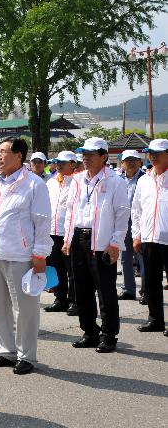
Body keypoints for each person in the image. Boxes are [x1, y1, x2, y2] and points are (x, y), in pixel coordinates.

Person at [0, 137, 52, 375]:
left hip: (21, 255)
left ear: (19, 155)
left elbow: (42, 222)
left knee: (25, 308)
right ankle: (5, 351)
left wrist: (40, 254)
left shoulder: (33, 184)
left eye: (3, 152)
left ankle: (26, 355)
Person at [62, 137, 129, 353]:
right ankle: (89, 331)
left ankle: (109, 335)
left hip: (101, 241)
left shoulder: (114, 180)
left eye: (91, 154)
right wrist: (66, 238)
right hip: (78, 239)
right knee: (81, 289)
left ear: (103, 156)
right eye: (84, 153)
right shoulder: (78, 179)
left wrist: (115, 243)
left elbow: (122, 214)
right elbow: (70, 211)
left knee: (106, 291)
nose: (86, 158)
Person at [131, 139, 168, 335]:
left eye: (157, 152)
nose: (153, 156)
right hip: (149, 239)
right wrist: (136, 235)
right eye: (150, 152)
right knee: (152, 282)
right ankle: (155, 320)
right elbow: (136, 210)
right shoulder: (144, 180)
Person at [44, 151, 78, 314]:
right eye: (57, 162)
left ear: (73, 164)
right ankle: (60, 299)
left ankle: (75, 301)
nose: (59, 164)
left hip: (69, 233)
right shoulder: (51, 182)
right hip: (52, 231)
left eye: (63, 162)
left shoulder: (78, 182)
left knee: (72, 269)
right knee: (55, 267)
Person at [118, 150, 146, 302]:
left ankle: (146, 292)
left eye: (134, 159)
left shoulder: (145, 178)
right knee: (125, 258)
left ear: (140, 162)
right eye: (127, 160)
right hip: (122, 222)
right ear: (122, 163)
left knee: (142, 258)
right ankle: (129, 289)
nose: (131, 162)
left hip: (140, 222)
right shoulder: (118, 179)